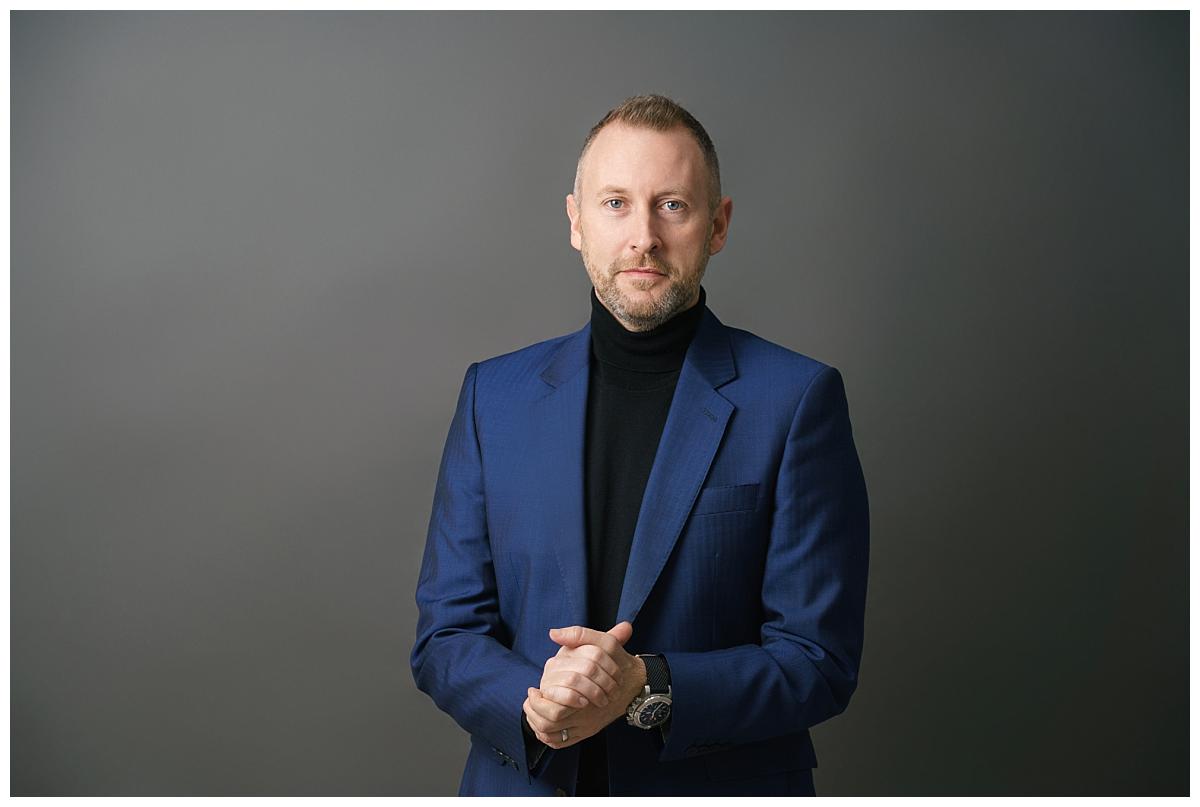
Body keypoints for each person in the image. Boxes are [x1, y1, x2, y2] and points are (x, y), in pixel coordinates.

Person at [410, 94, 869, 797]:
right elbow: (444, 635)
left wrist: (644, 685)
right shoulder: (491, 398)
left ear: (718, 225)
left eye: (673, 206)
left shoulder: (797, 401)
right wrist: (537, 703)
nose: (643, 237)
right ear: (575, 221)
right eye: (616, 203)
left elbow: (817, 659)